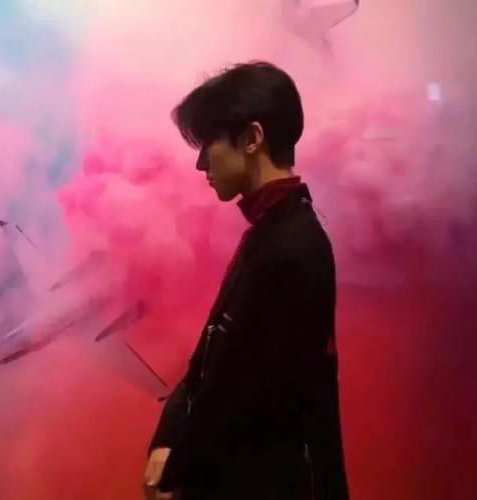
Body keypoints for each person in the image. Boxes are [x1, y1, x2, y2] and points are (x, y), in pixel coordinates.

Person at [144, 61, 349, 500]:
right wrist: (167, 440)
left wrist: (174, 470)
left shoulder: (292, 248)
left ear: (252, 138)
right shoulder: (272, 233)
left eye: (209, 143)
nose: (200, 163)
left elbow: (237, 397)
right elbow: (208, 363)